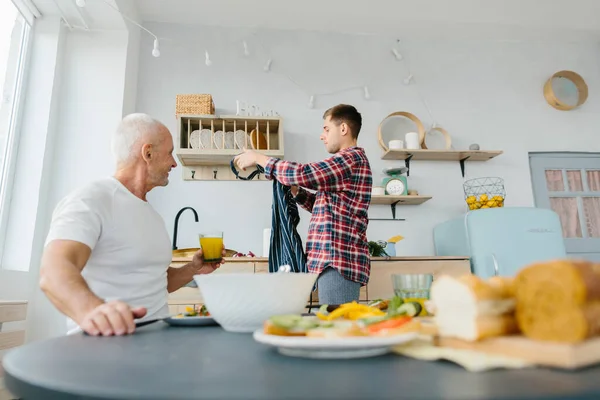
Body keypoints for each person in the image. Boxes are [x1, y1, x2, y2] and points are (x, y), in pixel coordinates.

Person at [40, 113, 224, 336]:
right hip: (107, 345)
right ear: (147, 153)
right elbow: (54, 271)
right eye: (169, 153)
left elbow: (156, 280)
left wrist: (193, 269)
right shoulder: (92, 199)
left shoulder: (151, 215)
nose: (174, 163)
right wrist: (93, 311)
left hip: (157, 341)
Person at [234, 104, 372, 305]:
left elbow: (302, 173)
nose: (322, 135)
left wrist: (259, 158)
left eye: (326, 129)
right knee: (334, 328)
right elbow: (325, 205)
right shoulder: (348, 164)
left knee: (336, 330)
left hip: (338, 261)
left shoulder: (350, 159)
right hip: (333, 261)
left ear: (343, 129)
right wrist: (296, 192)